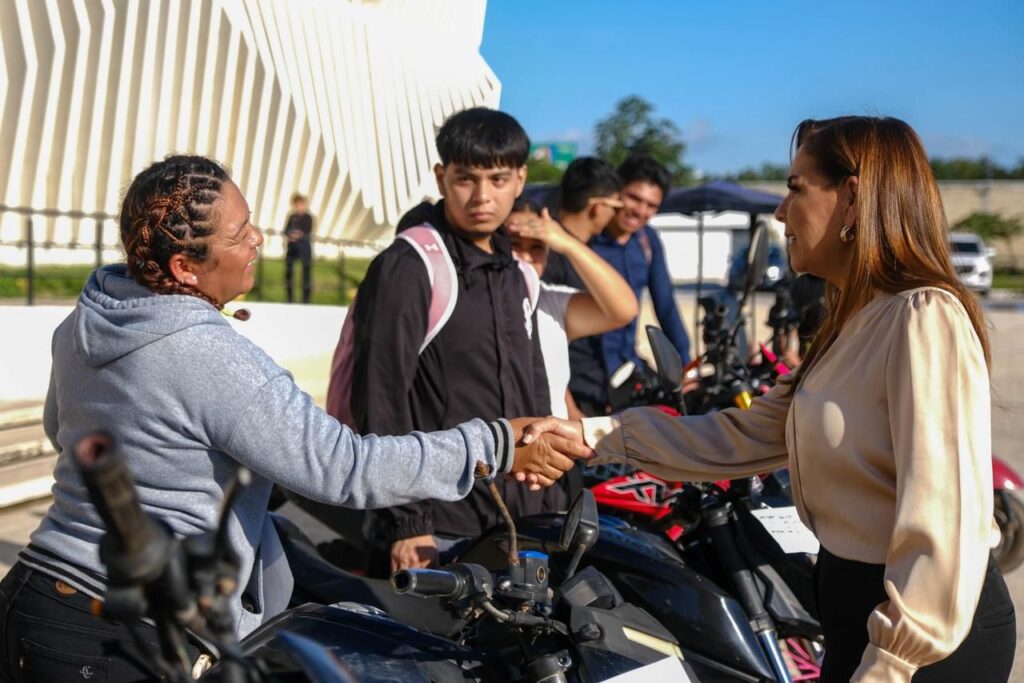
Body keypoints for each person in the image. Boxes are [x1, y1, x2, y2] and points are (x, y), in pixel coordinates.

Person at [0, 155, 587, 682]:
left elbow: (63, 432)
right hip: (115, 637)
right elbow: (344, 468)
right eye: (238, 234)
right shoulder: (205, 353)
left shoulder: (87, 320)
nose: (258, 237)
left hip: (35, 591)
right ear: (184, 266)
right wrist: (495, 442)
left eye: (250, 218)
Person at [529, 116, 1016, 682]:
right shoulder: (853, 318)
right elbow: (749, 434)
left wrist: (891, 664)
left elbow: (943, 519)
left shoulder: (922, 317)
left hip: (924, 639)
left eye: (794, 189)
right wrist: (595, 435)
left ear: (853, 198)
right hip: (862, 614)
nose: (781, 213)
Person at [345, 108, 566, 572]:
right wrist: (409, 523)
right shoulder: (411, 264)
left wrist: (557, 493)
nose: (482, 196)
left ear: (521, 179)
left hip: (526, 516)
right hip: (444, 526)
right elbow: (381, 400)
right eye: (466, 179)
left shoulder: (518, 274)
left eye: (498, 179)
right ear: (442, 177)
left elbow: (536, 395)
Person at [568, 154, 691, 415]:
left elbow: (666, 305)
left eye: (651, 205)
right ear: (615, 193)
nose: (640, 211)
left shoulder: (648, 242)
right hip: (580, 379)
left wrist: (685, 365)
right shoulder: (585, 238)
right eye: (634, 198)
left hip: (627, 374)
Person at [506, 192, 638, 420]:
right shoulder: (469, 302)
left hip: (552, 450)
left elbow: (624, 309)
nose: (525, 257)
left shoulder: (551, 303)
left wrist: (567, 243)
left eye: (537, 246)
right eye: (514, 244)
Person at [284, 192, 313, 303]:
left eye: (300, 204)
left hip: (304, 249)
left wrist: (297, 235)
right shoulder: (291, 217)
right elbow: (286, 230)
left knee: (306, 275)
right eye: (296, 204)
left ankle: (306, 300)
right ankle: (289, 299)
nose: (298, 206)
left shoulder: (308, 217)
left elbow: (307, 231)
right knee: (289, 274)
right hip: (292, 249)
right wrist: (290, 235)